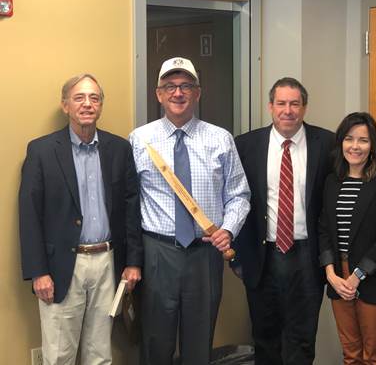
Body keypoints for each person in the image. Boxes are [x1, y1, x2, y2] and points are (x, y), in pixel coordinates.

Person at [129, 57, 250, 365]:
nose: (178, 93)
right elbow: (128, 202)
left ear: (198, 93)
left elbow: (239, 195)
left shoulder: (220, 139)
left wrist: (229, 229)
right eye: (170, 86)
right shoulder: (140, 140)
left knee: (199, 344)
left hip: (204, 255)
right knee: (156, 341)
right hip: (157, 252)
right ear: (158, 94)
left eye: (185, 86)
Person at [19, 73, 143, 365]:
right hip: (61, 267)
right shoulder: (41, 151)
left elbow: (130, 208)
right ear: (65, 105)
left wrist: (133, 261)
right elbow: (29, 214)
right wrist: (38, 271)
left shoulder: (118, 149)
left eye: (94, 98)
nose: (87, 104)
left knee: (100, 354)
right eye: (79, 97)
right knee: (59, 354)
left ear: (100, 106)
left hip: (107, 263)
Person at [233, 77, 334, 364]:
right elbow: (235, 200)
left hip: (307, 255)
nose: (287, 110)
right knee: (265, 338)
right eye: (281, 103)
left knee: (302, 339)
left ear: (304, 108)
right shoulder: (246, 145)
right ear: (270, 106)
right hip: (263, 256)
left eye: (294, 104)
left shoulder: (327, 143)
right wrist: (237, 258)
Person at [318, 112, 376, 365]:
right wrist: (331, 275)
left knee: (374, 355)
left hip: (371, 277)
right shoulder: (332, 181)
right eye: (349, 139)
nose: (355, 146)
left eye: (363, 140)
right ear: (340, 142)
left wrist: (356, 277)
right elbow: (323, 228)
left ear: (373, 145)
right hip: (338, 277)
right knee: (351, 354)